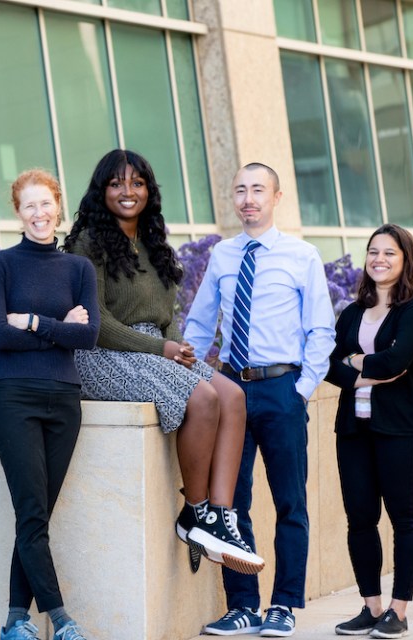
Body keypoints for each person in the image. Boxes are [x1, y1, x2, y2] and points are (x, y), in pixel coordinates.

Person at [62, 149, 265, 576]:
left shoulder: (153, 242)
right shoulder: (88, 244)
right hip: (101, 355)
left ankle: (220, 517)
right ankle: (195, 512)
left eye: (136, 183)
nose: (127, 191)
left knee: (232, 395)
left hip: (155, 347)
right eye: (116, 183)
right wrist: (163, 351)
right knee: (204, 399)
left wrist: (179, 347)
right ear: (102, 191)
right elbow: (97, 324)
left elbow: (166, 316)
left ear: (148, 191)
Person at [184, 163, 336, 637]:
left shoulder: (301, 255)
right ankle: (243, 606)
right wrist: (196, 377)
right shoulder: (223, 256)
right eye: (240, 191)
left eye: (257, 190)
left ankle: (284, 605)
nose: (248, 199)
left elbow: (321, 329)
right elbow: (198, 324)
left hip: (281, 389)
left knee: (290, 502)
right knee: (231, 505)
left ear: (276, 196)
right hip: (230, 390)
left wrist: (300, 391)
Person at [0, 169, 101, 640]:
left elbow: (87, 336)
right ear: (17, 213)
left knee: (37, 517)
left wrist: (32, 320)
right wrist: (58, 327)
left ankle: (15, 620)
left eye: (45, 204)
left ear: (58, 206)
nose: (39, 214)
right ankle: (63, 620)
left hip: (65, 402)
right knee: (32, 513)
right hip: (15, 400)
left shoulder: (78, 269)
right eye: (28, 206)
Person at [325, 224, 413, 639]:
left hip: (405, 427)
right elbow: (329, 366)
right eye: (374, 252)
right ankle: (371, 607)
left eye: (389, 253)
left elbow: (397, 363)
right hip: (354, 428)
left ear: (405, 259)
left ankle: (399, 610)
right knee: (360, 518)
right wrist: (359, 370)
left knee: (404, 517)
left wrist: (355, 363)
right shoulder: (353, 312)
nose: (380, 260)